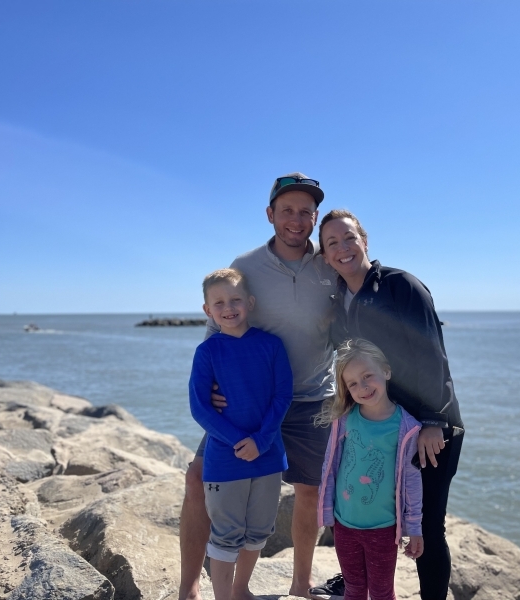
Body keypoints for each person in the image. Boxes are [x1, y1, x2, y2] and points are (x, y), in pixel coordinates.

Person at [179, 173, 339, 600]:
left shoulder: (331, 265)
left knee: (310, 490)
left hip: (311, 396)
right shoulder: (243, 266)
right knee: (197, 478)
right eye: (286, 210)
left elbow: (357, 321)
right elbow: (218, 324)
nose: (296, 219)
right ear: (270, 214)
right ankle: (189, 587)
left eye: (306, 211)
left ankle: (301, 585)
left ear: (315, 217)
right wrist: (211, 384)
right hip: (244, 401)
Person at [318, 209, 464, 600]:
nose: (342, 248)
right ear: (325, 256)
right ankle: (354, 580)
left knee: (427, 525)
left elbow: (432, 353)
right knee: (367, 510)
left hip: (425, 427)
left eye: (349, 238)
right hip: (376, 424)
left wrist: (434, 420)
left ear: (364, 240)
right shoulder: (338, 302)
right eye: (332, 243)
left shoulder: (401, 286)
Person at [189, 269, 293, 600]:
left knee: (260, 529)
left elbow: (282, 396)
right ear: (207, 310)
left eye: (235, 299)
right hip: (225, 459)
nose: (228, 307)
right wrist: (238, 441)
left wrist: (261, 440)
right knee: (226, 533)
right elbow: (200, 408)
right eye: (219, 302)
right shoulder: (207, 352)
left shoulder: (271, 345)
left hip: (268, 455)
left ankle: (241, 589)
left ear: (249, 302)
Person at [317, 339, 423, 600]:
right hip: (344, 525)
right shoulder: (344, 419)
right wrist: (326, 512)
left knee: (381, 592)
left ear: (385, 371)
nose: (362, 387)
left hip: (384, 528)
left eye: (367, 376)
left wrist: (415, 528)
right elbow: (330, 466)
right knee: (353, 589)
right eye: (352, 383)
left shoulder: (406, 427)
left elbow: (411, 480)